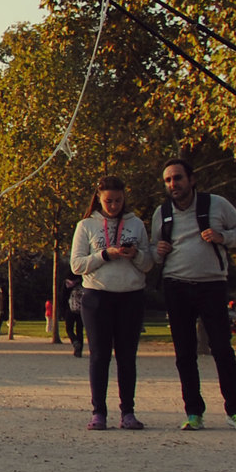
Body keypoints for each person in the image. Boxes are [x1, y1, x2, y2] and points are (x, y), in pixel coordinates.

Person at [152, 157, 236, 431]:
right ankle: (193, 412)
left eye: (178, 178)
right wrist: (157, 252)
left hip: (211, 284)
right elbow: (153, 250)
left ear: (191, 179)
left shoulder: (216, 204)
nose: (173, 184)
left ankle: (235, 410)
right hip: (176, 285)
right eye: (168, 180)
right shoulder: (162, 212)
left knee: (222, 349)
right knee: (184, 353)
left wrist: (223, 238)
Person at [70, 175, 155, 430]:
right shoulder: (86, 225)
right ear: (99, 198)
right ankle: (99, 412)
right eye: (109, 201)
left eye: (118, 200)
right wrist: (104, 254)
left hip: (130, 295)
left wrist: (135, 254)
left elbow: (149, 263)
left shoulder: (136, 224)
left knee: (127, 356)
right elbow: (76, 265)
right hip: (97, 295)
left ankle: (128, 411)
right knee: (99, 356)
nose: (114, 205)